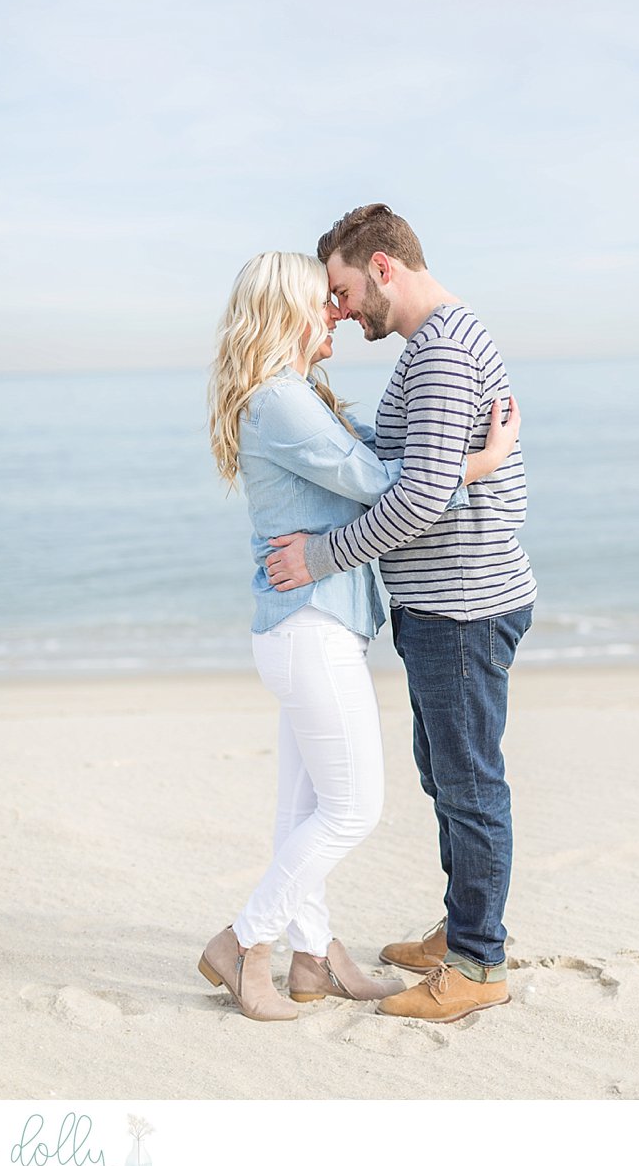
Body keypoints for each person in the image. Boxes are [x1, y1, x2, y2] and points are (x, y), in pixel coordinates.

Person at [197, 250, 520, 1022]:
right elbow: (382, 482)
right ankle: (244, 942)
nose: (336, 313)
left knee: (303, 807)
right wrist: (483, 460)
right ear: (285, 313)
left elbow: (370, 454)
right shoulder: (279, 401)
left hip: (307, 628)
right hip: (309, 628)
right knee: (352, 808)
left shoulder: (295, 393)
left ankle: (313, 956)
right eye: (324, 302)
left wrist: (440, 454)